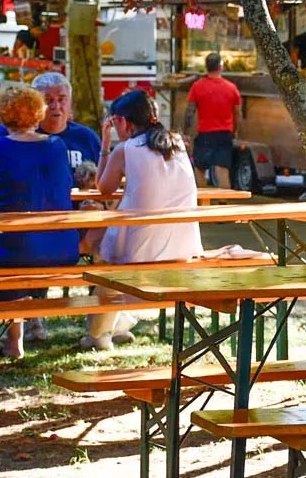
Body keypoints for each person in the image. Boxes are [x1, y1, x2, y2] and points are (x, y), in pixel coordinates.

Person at [0, 84, 80, 359]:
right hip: (63, 249)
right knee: (10, 255)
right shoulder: (57, 146)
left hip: (14, 251)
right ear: (39, 112)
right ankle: (8, 341)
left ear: (2, 115)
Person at [81, 90, 203, 351]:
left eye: (115, 122)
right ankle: (118, 323)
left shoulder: (126, 149)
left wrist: (105, 145)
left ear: (124, 122)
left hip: (140, 252)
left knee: (99, 252)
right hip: (183, 246)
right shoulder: (177, 143)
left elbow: (103, 188)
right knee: (115, 250)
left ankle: (98, 333)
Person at [0, 72, 101, 182]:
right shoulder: (12, 131)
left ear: (70, 102)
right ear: (35, 104)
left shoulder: (87, 137)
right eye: (48, 100)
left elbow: (104, 179)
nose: (56, 106)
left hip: (76, 212)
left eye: (62, 99)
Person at [184, 52, 242, 188]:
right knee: (222, 170)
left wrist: (186, 133)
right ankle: (224, 199)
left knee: (199, 169)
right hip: (224, 134)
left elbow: (189, 112)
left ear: (206, 67)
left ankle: (203, 198)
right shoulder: (231, 88)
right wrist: (235, 130)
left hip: (205, 134)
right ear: (220, 67)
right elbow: (237, 113)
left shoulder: (197, 87)